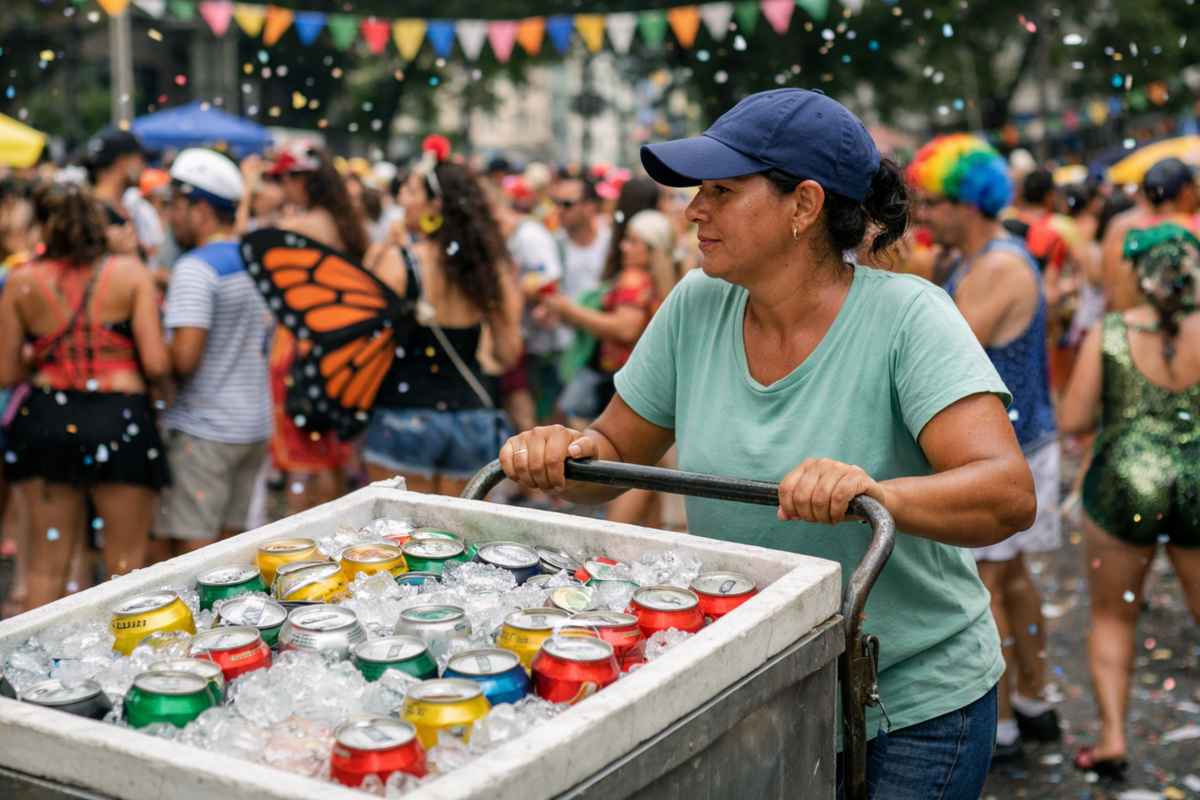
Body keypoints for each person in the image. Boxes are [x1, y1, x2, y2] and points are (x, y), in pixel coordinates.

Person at [500, 89, 1036, 799]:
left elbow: (1006, 492)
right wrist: (564, 452)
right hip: (762, 681)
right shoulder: (696, 304)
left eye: (721, 191)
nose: (695, 210)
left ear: (803, 206)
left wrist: (873, 492)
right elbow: (611, 455)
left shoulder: (909, 318)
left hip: (909, 703)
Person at [909, 134, 1063, 762]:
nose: (924, 215)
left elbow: (940, 356)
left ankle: (997, 721)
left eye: (934, 203)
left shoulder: (996, 265)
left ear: (969, 202)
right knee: (1015, 578)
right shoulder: (979, 258)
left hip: (1011, 449)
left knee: (989, 582)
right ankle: (1035, 700)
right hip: (1028, 439)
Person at [1059, 223, 1200, 781]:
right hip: (1197, 482)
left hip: (1122, 486)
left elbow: (1073, 419)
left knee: (1113, 614)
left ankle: (1113, 736)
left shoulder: (1111, 331)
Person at [0, 182, 170, 611]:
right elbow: (156, 364)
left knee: (44, 565)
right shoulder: (131, 275)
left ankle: (38, 672)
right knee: (125, 566)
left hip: (48, 419)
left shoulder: (21, 281)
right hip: (120, 419)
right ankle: (123, 668)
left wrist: (40, 360)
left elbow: (6, 372)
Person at [361, 140, 522, 497]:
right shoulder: (487, 268)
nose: (403, 198)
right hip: (472, 419)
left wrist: (380, 250)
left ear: (436, 205)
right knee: (455, 541)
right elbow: (509, 353)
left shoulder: (400, 261)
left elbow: (362, 335)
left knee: (399, 536)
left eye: (412, 190)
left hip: (404, 415)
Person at [150, 149, 272, 558]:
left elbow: (184, 359)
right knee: (231, 557)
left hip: (204, 432)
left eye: (175, 206)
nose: (169, 217)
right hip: (251, 425)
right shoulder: (253, 260)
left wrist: (148, 341)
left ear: (200, 208)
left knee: (194, 560)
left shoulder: (195, 268)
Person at [265, 143, 367, 512]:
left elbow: (254, 243)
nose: (281, 186)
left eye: (286, 178)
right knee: (333, 451)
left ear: (305, 180)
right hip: (340, 346)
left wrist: (250, 197)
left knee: (307, 457)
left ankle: (311, 535)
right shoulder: (345, 224)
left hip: (302, 346)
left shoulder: (304, 225)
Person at [1100, 158, 1199, 312]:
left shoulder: (1118, 228)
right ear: (1187, 192)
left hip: (1130, 327)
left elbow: (1111, 293)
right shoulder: (1192, 227)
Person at [82, 129, 148, 258]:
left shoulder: (100, 207)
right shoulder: (93, 213)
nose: (143, 166)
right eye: (140, 159)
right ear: (123, 162)